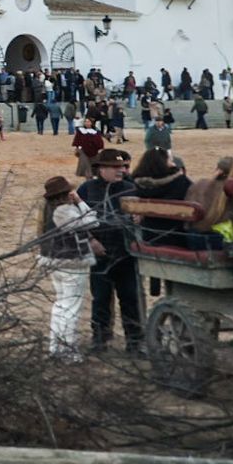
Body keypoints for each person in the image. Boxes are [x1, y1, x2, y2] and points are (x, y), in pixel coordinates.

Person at [77, 150, 142, 352]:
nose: (121, 170)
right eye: (115, 167)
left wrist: (140, 218)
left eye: (122, 167)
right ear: (101, 169)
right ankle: (100, 339)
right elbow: (75, 221)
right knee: (101, 298)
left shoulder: (131, 189)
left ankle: (135, 342)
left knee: (131, 298)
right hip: (100, 254)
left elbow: (142, 219)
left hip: (126, 254)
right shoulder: (87, 189)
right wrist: (91, 241)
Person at [37, 176, 98, 358]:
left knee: (61, 305)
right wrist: (80, 202)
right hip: (71, 262)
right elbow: (92, 221)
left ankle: (56, 347)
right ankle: (68, 350)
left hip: (54, 261)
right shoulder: (64, 211)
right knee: (71, 308)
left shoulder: (49, 209)